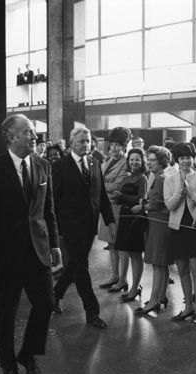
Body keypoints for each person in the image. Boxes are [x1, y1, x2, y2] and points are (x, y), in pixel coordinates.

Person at [0, 115, 60, 374]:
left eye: (34, 132)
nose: (34, 136)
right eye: (28, 132)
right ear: (11, 136)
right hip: (5, 253)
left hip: (38, 249)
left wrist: (55, 244)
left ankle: (27, 354)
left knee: (46, 303)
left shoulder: (43, 165)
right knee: (6, 312)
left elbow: (48, 211)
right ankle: (8, 365)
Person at [52, 127, 116, 329]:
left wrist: (110, 221)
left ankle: (54, 295)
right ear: (71, 143)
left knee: (75, 265)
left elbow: (102, 196)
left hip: (90, 226)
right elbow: (53, 200)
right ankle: (92, 311)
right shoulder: (60, 166)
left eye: (88, 141)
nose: (85, 145)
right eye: (81, 141)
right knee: (81, 267)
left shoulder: (95, 164)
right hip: (70, 227)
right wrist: (55, 229)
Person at [164, 142, 196, 325]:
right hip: (176, 229)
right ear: (177, 160)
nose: (185, 161)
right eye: (182, 158)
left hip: (195, 229)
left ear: (193, 159)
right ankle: (188, 307)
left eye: (188, 157)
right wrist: (180, 192)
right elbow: (169, 205)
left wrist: (190, 193)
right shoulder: (169, 179)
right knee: (182, 271)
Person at [133, 146, 173, 315]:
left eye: (152, 160)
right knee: (162, 264)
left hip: (159, 222)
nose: (149, 162)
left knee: (158, 263)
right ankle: (161, 296)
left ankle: (154, 300)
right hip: (160, 222)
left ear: (162, 161)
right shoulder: (160, 176)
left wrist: (140, 206)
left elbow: (156, 203)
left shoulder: (161, 178)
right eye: (148, 160)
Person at [97, 127, 130, 291]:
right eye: (113, 144)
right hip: (107, 206)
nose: (115, 148)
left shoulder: (126, 163)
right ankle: (114, 275)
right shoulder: (107, 160)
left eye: (118, 145)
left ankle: (123, 278)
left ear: (125, 146)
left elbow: (119, 185)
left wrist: (100, 186)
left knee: (120, 244)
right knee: (111, 243)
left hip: (117, 207)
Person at [114, 148, 148, 303]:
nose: (134, 162)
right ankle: (132, 285)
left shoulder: (142, 179)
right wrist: (118, 198)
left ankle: (135, 287)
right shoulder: (126, 177)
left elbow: (141, 200)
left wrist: (122, 197)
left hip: (135, 218)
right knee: (127, 251)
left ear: (142, 162)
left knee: (136, 254)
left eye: (137, 159)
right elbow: (122, 196)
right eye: (131, 159)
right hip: (125, 216)